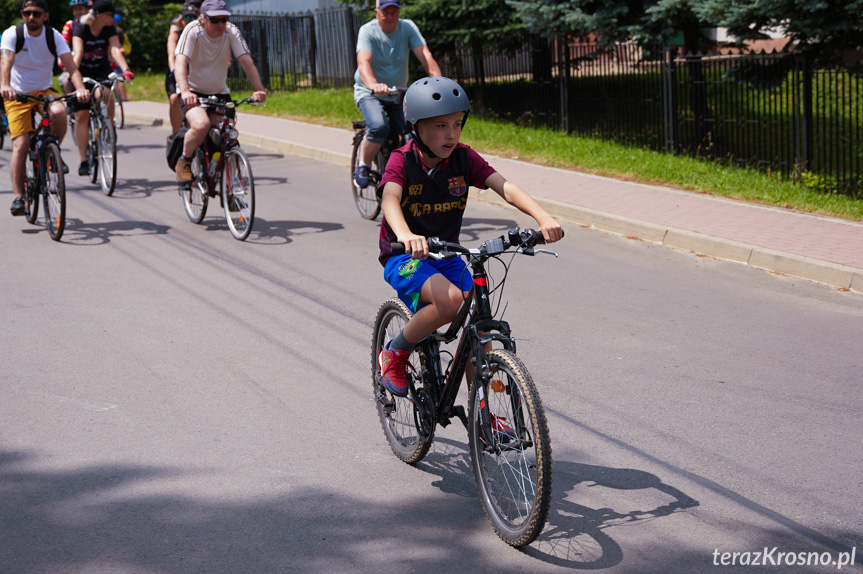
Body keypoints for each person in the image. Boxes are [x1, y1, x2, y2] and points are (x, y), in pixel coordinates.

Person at [376, 77, 563, 397]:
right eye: (439, 126)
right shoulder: (402, 159)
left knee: (481, 322)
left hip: (448, 255)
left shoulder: (463, 158)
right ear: (417, 128)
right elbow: (390, 198)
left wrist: (542, 217)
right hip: (405, 255)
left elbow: (505, 186)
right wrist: (406, 235)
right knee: (450, 302)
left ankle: (486, 413)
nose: (451, 134)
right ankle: (395, 351)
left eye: (457, 124)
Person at [1, 0, 89, 216]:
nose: (31, 17)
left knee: (59, 112)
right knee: (20, 145)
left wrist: (80, 88)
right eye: (27, 13)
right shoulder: (14, 34)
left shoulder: (53, 36)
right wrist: (4, 85)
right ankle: (18, 197)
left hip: (43, 91)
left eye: (36, 14)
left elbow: (71, 66)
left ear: (45, 16)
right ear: (23, 14)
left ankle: (50, 152)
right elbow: (5, 63)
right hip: (17, 94)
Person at [173, 0, 267, 182]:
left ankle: (231, 185)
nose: (221, 24)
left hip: (219, 92)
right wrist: (185, 91)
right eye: (215, 20)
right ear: (203, 19)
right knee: (201, 125)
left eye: (224, 19)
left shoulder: (230, 31)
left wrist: (259, 90)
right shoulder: (193, 30)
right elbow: (180, 62)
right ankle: (184, 160)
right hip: (193, 92)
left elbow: (246, 61)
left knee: (227, 132)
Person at [353, 0, 440, 188]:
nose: (390, 16)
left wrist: (439, 84)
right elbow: (363, 62)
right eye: (386, 12)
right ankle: (363, 165)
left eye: (394, 11)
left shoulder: (407, 27)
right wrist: (374, 85)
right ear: (377, 13)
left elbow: (425, 55)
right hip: (370, 92)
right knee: (379, 126)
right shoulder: (368, 31)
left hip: (398, 94)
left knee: (415, 131)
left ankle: (406, 171)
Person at [68, 0, 133, 176]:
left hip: (101, 71)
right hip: (81, 73)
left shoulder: (109, 29)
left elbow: (114, 50)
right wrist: (74, 77)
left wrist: (126, 70)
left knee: (107, 92)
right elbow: (78, 53)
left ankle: (108, 126)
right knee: (82, 115)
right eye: (111, 15)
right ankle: (83, 160)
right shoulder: (81, 28)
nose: (113, 19)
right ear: (102, 15)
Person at [166, 3, 198, 131]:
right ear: (181, 19)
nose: (190, 21)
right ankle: (176, 133)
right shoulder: (175, 35)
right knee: (174, 98)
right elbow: (171, 55)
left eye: (193, 18)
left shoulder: (199, 35)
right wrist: (174, 70)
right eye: (187, 18)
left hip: (194, 72)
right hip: (177, 71)